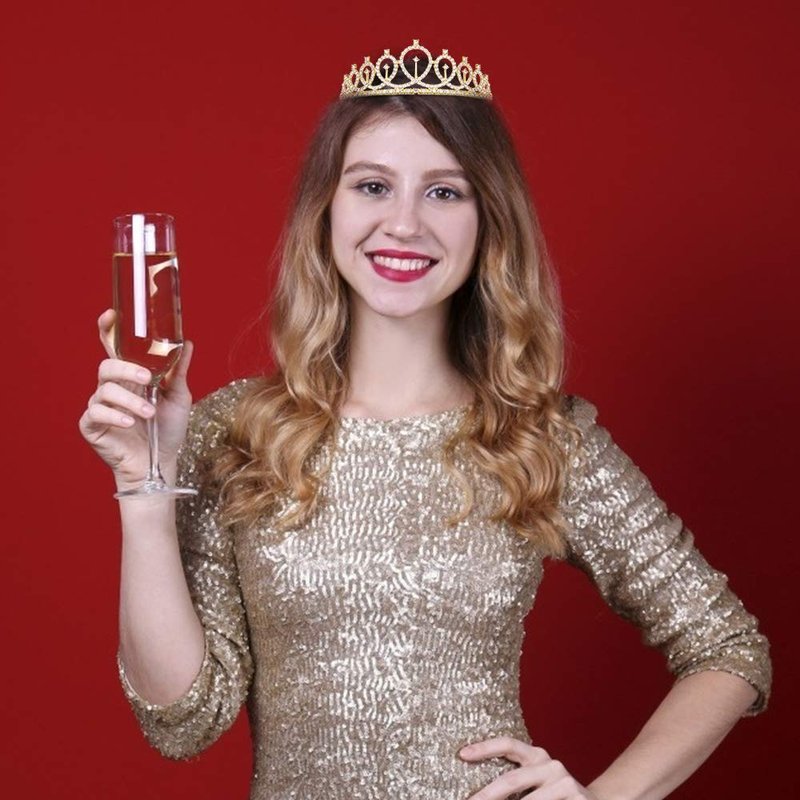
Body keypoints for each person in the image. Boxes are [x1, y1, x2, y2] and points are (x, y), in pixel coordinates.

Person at [79, 40, 771, 800]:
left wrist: (604, 798)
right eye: (373, 186)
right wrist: (145, 481)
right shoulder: (238, 431)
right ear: (326, 209)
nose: (404, 223)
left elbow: (728, 647)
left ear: (489, 220)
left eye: (444, 191)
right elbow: (182, 722)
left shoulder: (539, 437)